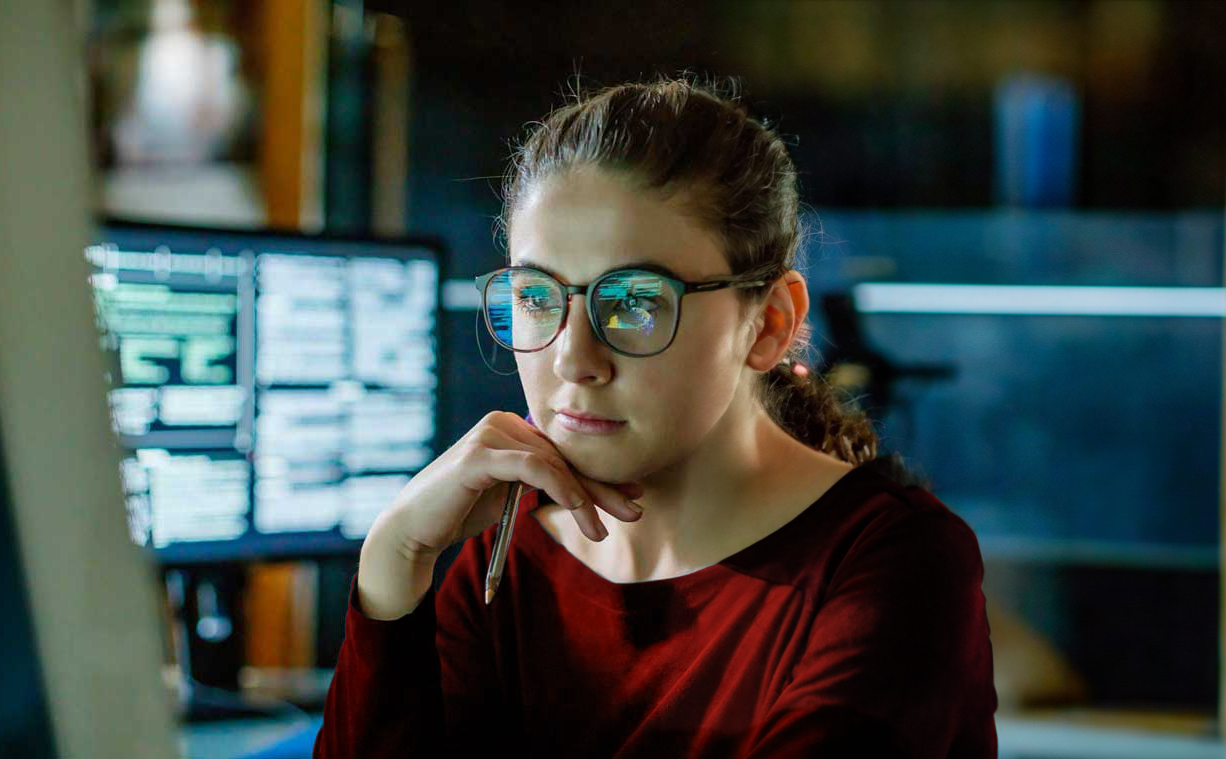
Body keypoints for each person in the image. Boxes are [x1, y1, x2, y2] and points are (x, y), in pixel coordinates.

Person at [314, 74, 997, 758]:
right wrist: (393, 555)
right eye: (536, 296)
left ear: (769, 323)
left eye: (635, 302)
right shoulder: (505, 563)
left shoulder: (894, 564)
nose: (572, 359)